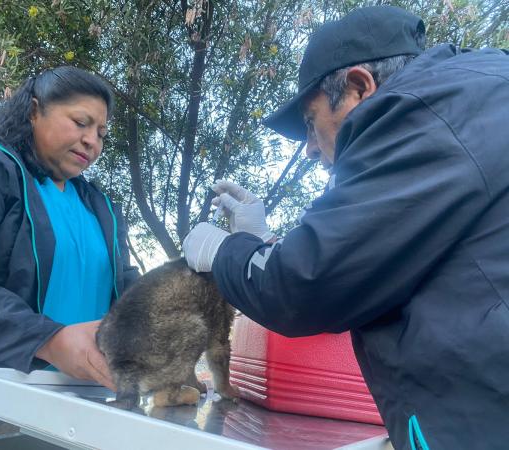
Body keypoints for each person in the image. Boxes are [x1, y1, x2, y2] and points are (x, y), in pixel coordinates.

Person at [183, 5, 509, 450]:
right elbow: (360, 269)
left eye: (311, 125)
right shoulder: (474, 99)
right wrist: (262, 245)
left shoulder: (429, 114)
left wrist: (224, 251)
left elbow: (307, 286)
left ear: (358, 87)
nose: (312, 151)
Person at [0, 66, 139, 424]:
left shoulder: (101, 208)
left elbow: (127, 293)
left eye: (101, 133)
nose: (92, 141)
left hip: (76, 413)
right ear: (34, 111)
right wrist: (50, 339)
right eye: (81, 122)